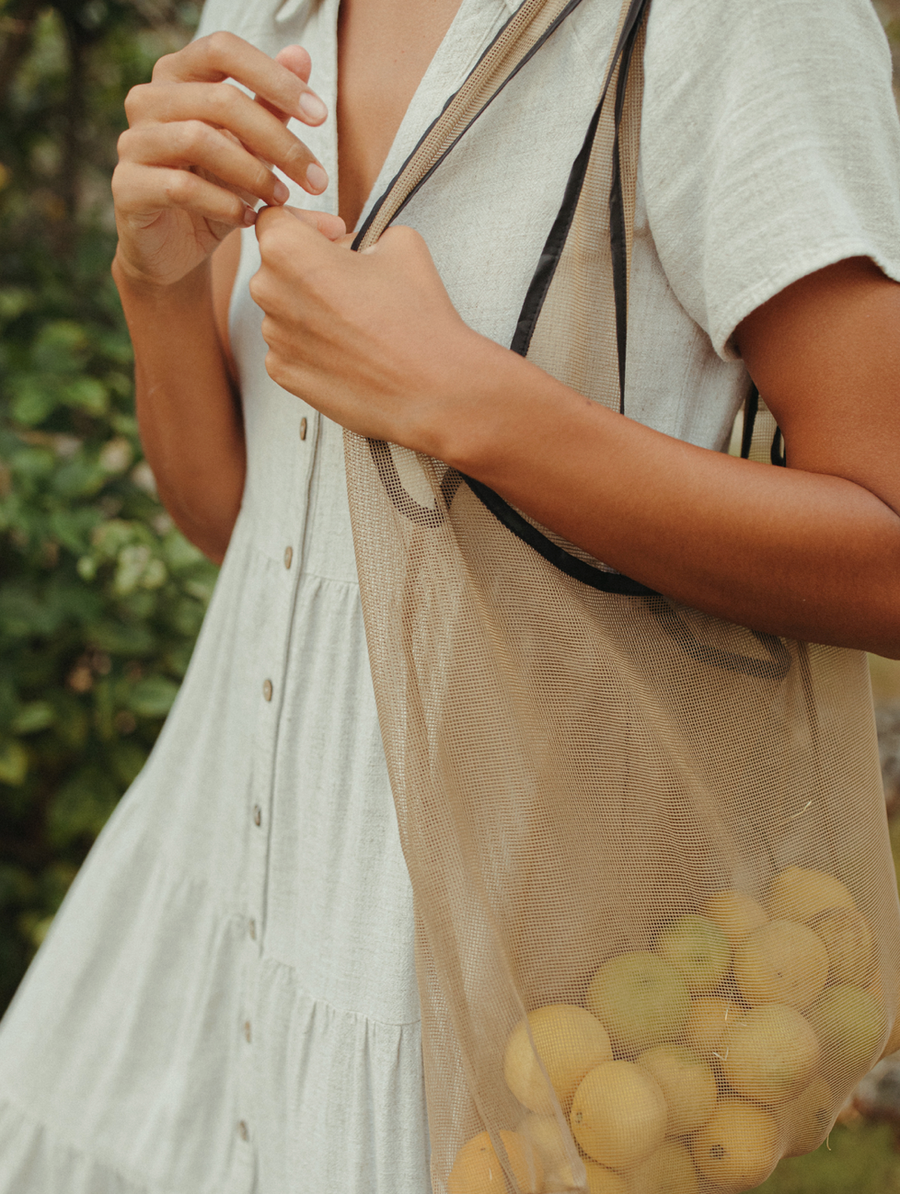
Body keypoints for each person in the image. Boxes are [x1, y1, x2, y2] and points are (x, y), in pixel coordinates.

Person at [0, 0, 899, 1191]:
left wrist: (472, 408)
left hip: (489, 1004)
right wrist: (156, 277)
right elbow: (248, 525)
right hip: (201, 917)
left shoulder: (731, 20)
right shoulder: (269, 13)